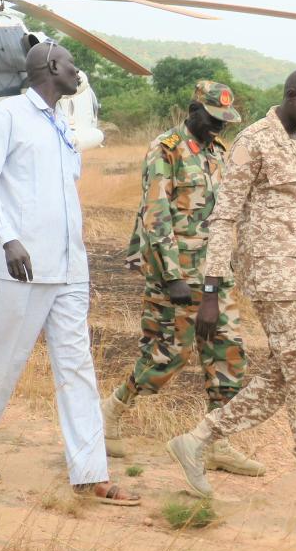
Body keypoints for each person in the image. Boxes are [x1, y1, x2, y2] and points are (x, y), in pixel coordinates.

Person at [168, 67, 296, 535]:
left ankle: (198, 439)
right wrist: (210, 291)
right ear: (292, 96)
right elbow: (224, 218)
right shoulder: (254, 142)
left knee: (283, 375)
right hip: (274, 280)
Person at [0, 41, 139, 505]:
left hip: (69, 263)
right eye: (73, 65)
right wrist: (8, 239)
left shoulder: (61, 121)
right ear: (53, 66)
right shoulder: (9, 115)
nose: (79, 72)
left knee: (77, 366)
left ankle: (90, 471)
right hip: (25, 263)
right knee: (5, 357)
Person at [101, 82, 263, 477]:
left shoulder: (218, 152)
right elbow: (155, 215)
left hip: (215, 274)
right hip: (175, 273)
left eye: (224, 121)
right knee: (168, 355)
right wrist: (172, 277)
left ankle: (215, 443)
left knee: (229, 354)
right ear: (193, 110)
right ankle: (113, 409)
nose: (218, 127)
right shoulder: (166, 149)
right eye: (212, 118)